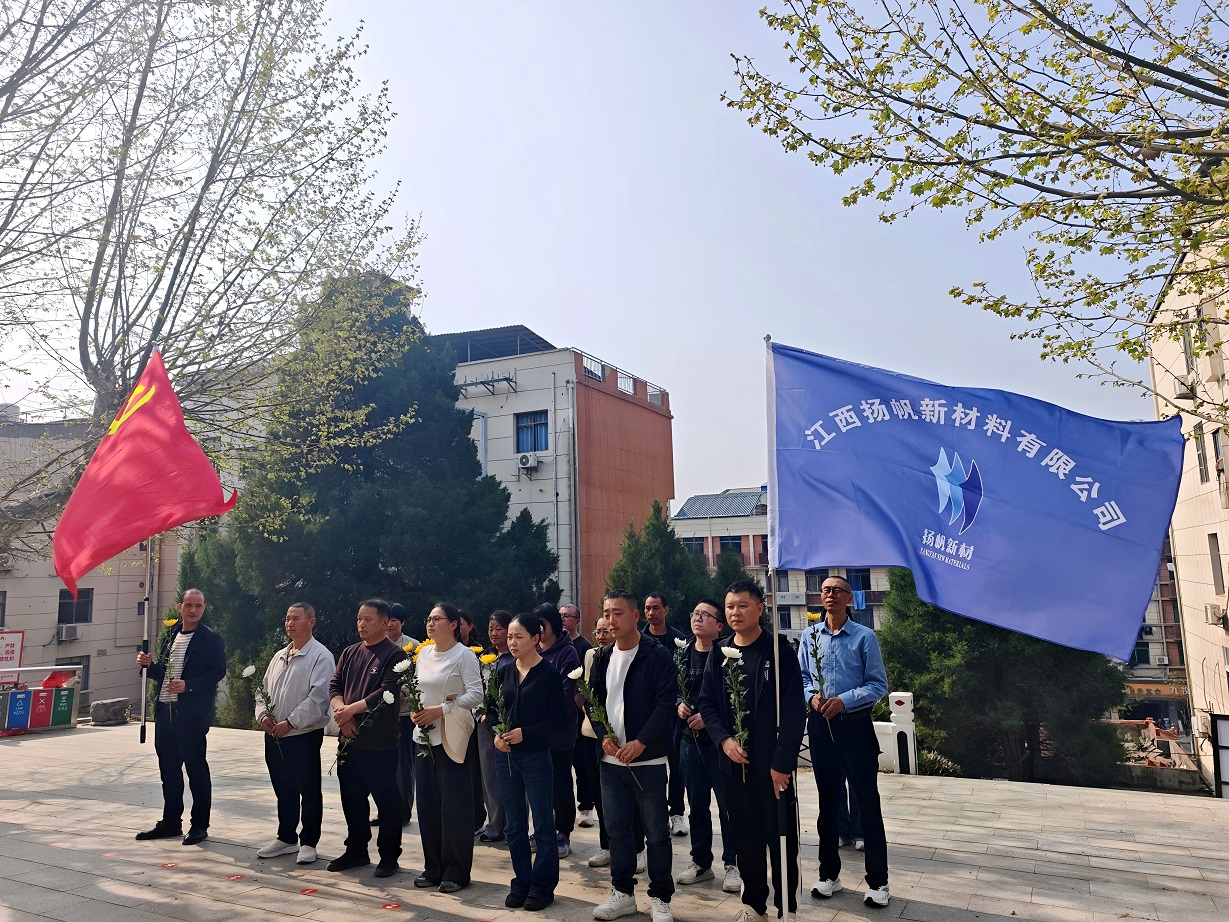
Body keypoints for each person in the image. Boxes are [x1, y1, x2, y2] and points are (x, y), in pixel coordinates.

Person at [699, 580, 805, 922]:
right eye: (730, 606)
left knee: (781, 841)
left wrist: (782, 763)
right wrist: (724, 740)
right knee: (745, 841)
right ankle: (754, 906)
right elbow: (707, 704)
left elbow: (794, 711)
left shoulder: (778, 651)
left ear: (760, 609)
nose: (735, 612)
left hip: (772, 768)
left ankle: (787, 908)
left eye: (743, 605)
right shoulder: (719, 652)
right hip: (734, 767)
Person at [586, 590, 677, 922]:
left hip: (647, 761)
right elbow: (592, 703)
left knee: (656, 832)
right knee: (617, 830)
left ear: (636, 616)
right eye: (607, 613)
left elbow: (666, 705)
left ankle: (660, 897)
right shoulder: (602, 657)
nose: (611, 620)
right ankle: (622, 893)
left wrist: (641, 742)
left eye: (618, 613)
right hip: (611, 762)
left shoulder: (656, 655)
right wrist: (603, 737)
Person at [800, 575, 890, 908]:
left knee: (868, 803)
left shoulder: (864, 637)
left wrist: (844, 700)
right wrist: (812, 697)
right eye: (826, 590)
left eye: (838, 590)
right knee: (827, 803)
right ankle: (828, 875)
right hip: (821, 728)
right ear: (820, 597)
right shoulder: (809, 636)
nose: (831, 595)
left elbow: (877, 684)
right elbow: (803, 677)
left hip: (855, 727)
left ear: (849, 598)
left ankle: (878, 882)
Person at [135, 589, 226, 846]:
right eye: (188, 605)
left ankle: (199, 825)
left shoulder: (210, 639)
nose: (193, 610)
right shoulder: (171, 636)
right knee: (168, 769)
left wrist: (189, 686)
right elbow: (163, 673)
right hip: (165, 711)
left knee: (196, 769)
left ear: (204, 608)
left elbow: (218, 671)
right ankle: (171, 821)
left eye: (198, 605)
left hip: (191, 715)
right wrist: (148, 666)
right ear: (180, 607)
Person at [327, 598, 407, 878]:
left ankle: (389, 856)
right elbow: (335, 685)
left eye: (368, 619)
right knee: (352, 798)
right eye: (359, 619)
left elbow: (387, 693)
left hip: (380, 743)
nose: (361, 624)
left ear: (385, 622)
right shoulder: (350, 652)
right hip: (349, 740)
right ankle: (356, 850)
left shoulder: (395, 655)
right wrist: (343, 714)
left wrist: (351, 710)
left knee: (386, 800)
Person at [494, 611, 566, 911]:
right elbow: (491, 709)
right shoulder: (503, 671)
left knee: (543, 824)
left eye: (518, 637)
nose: (512, 642)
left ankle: (542, 887)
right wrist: (497, 735)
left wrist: (527, 733)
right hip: (506, 758)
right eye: (510, 636)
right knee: (514, 825)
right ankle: (521, 882)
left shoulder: (548, 674)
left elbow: (559, 719)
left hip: (536, 756)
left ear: (535, 638)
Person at [411, 602, 484, 892]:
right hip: (423, 738)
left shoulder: (464, 655)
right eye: (428, 618)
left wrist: (441, 709)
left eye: (437, 618)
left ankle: (456, 871)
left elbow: (476, 694)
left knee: (454, 807)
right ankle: (433, 868)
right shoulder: (423, 654)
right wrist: (416, 708)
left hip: (451, 739)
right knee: (427, 805)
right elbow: (418, 688)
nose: (430, 623)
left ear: (453, 625)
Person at [255, 603, 335, 864]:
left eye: (296, 618)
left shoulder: (321, 656)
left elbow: (319, 697)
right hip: (274, 734)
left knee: (308, 789)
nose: (290, 623)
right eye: (287, 618)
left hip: (303, 734)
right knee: (283, 787)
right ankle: (286, 837)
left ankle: (309, 842)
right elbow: (262, 691)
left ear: (311, 622)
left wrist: (290, 722)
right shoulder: (279, 656)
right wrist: (263, 716)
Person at [674, 597, 740, 894]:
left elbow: (735, 696)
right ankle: (700, 862)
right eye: (695, 613)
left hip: (720, 743)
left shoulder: (728, 655)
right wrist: (679, 704)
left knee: (728, 806)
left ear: (719, 625)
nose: (698, 618)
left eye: (705, 615)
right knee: (697, 805)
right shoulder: (682, 654)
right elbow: (672, 690)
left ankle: (734, 863)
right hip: (689, 743)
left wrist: (710, 719)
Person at [584, 616, 647, 874]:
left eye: (606, 630)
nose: (602, 634)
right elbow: (590, 697)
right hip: (598, 738)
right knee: (604, 800)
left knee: (633, 801)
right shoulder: (594, 656)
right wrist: (602, 733)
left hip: (632, 743)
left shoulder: (639, 654)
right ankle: (606, 846)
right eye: (598, 630)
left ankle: (638, 849)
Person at [640, 592, 688, 837]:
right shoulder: (639, 639)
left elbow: (684, 677)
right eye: (648, 608)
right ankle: (654, 815)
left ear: (666, 610)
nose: (651, 613)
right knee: (652, 767)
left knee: (676, 765)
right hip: (647, 714)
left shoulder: (679, 640)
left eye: (656, 608)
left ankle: (677, 813)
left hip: (674, 713)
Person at [535, 602, 580, 858]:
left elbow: (567, 694)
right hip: (535, 732)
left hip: (560, 732)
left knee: (561, 783)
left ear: (553, 624)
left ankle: (563, 832)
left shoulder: (567, 653)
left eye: (543, 624)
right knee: (539, 784)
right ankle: (542, 829)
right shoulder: (534, 650)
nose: (539, 630)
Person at [478, 609, 514, 843]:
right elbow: (474, 689)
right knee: (489, 777)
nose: (493, 633)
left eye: (499, 628)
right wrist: (480, 712)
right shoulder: (484, 658)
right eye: (491, 629)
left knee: (510, 776)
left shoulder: (515, 658)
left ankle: (512, 826)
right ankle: (493, 826)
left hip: (508, 724)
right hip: (484, 725)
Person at [384, 603, 419, 827]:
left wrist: (400, 693)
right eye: (387, 620)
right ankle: (386, 810)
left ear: (402, 622)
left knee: (403, 766)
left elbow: (417, 678)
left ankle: (403, 811)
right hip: (381, 715)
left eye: (394, 620)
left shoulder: (413, 647)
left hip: (404, 715)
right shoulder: (377, 644)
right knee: (384, 765)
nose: (389, 624)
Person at [563, 604, 598, 828]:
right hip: (561, 716)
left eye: (568, 616)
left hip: (580, 715)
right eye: (561, 615)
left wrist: (583, 706)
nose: (563, 619)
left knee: (582, 764)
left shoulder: (585, 647)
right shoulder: (556, 645)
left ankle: (586, 807)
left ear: (577, 620)